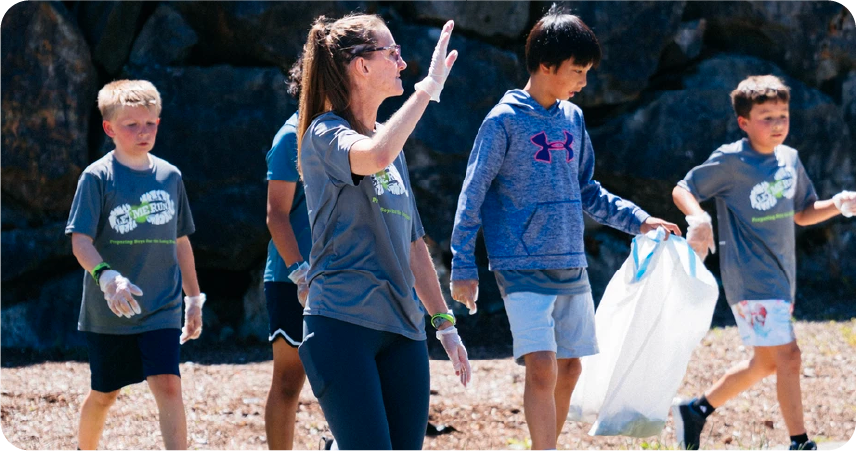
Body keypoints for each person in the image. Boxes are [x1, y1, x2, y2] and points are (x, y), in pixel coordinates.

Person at [448, 7, 680, 451]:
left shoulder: (573, 119)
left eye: (587, 72)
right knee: (542, 365)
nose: (583, 82)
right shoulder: (502, 121)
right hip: (519, 264)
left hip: (570, 261)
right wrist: (462, 263)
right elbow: (472, 192)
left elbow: (588, 189)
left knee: (570, 368)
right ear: (546, 65)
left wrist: (640, 220)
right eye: (577, 71)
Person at [294, 14, 472, 451]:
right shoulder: (324, 133)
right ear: (361, 65)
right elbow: (373, 155)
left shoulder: (392, 146)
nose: (403, 63)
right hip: (341, 324)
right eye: (392, 53)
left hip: (405, 331)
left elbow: (413, 243)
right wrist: (427, 91)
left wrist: (444, 323)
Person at [671, 75, 856, 451]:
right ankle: (800, 443)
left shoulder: (790, 159)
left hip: (781, 278)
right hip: (749, 279)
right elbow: (683, 188)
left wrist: (837, 204)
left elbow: (803, 213)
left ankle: (696, 411)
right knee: (789, 356)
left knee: (766, 364)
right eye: (766, 117)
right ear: (744, 122)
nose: (777, 125)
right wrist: (699, 218)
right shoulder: (731, 160)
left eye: (783, 116)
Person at [66, 79, 205, 451]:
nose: (143, 132)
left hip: (162, 306)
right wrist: (106, 277)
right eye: (132, 125)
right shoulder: (97, 178)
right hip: (111, 313)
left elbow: (181, 242)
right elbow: (80, 241)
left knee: (168, 383)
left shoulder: (170, 176)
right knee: (104, 393)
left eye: (150, 123)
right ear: (110, 129)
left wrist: (194, 299)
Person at [262, 57, 321, 451]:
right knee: (288, 380)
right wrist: (300, 273)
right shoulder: (290, 138)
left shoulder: (360, 133)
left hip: (343, 277)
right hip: (291, 280)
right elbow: (276, 215)